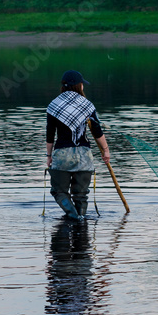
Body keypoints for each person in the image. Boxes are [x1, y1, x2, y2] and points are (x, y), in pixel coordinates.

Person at [46, 70, 110, 221]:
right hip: (84, 155)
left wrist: (48, 156)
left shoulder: (54, 105)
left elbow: (50, 135)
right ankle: (80, 220)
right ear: (79, 86)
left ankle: (73, 216)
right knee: (81, 195)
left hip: (62, 155)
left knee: (59, 191)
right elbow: (97, 131)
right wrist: (106, 151)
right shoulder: (87, 105)